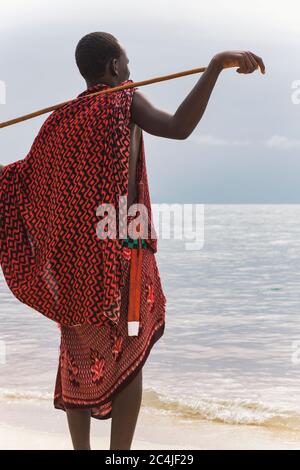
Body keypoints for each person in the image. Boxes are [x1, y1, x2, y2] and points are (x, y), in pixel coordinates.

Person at [0, 31, 265, 450]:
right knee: (130, 350)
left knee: (77, 355)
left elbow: (19, 180)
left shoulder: (59, 122)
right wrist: (215, 66)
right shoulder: (122, 100)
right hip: (119, 255)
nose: (130, 70)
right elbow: (178, 127)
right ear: (114, 68)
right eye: (127, 62)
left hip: (69, 265)